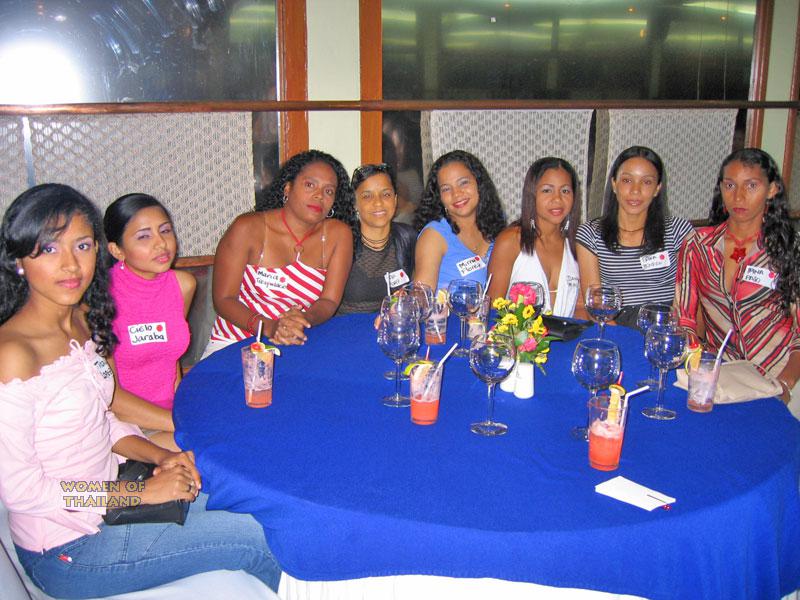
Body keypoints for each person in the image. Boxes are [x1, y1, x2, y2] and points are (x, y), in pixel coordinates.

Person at [0, 184, 280, 598]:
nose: (71, 264)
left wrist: (161, 457)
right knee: (258, 538)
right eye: (49, 249)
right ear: (19, 260)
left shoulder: (81, 324)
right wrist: (140, 491)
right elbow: (23, 492)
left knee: (258, 501)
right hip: (69, 547)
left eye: (82, 245)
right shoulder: (13, 354)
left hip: (117, 497)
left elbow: (103, 419)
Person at [675, 148, 800, 415]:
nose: (739, 196)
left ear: (772, 189)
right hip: (723, 374)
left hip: (781, 373)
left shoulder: (789, 249)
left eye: (751, 186)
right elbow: (684, 319)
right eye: (730, 185)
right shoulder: (698, 245)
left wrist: (784, 385)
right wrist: (696, 360)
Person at [207, 149, 355, 354]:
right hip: (235, 343)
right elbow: (224, 300)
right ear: (287, 188)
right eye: (310, 185)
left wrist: (304, 320)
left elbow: (329, 301)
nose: (319, 195)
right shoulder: (248, 228)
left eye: (328, 191)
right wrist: (269, 327)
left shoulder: (339, 235)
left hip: (298, 342)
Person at [104, 194, 195, 450]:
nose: (161, 243)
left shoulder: (183, 285)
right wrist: (182, 423)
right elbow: (110, 396)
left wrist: (182, 410)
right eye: (144, 236)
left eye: (165, 231)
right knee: (205, 451)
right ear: (117, 250)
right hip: (119, 422)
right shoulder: (101, 298)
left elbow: (170, 358)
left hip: (169, 415)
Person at [576, 146, 693, 327]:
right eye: (627, 180)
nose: (635, 190)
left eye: (646, 182)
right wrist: (624, 338)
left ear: (657, 189)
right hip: (615, 323)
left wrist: (668, 332)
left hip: (664, 323)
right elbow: (595, 303)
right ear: (614, 184)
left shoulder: (678, 231)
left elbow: (687, 296)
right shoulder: (590, 234)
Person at [487, 157, 584, 318]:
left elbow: (581, 308)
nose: (557, 199)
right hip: (516, 334)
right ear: (532, 194)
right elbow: (492, 308)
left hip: (568, 333)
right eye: (547, 190)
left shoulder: (579, 243)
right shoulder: (511, 241)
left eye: (565, 191)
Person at [414, 150, 506, 291]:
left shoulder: (496, 223)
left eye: (463, 183)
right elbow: (421, 298)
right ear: (439, 197)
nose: (456, 194)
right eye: (446, 189)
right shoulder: (434, 235)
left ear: (479, 183)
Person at [338, 163, 416, 314]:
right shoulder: (342, 241)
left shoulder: (408, 237)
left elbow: (418, 290)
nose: (378, 202)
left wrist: (408, 298)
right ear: (355, 203)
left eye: (386, 194)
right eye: (367, 196)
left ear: (395, 199)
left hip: (392, 324)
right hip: (347, 326)